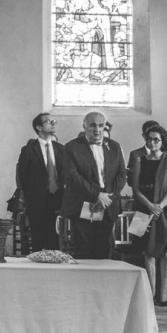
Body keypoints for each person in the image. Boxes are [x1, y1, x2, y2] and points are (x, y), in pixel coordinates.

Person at [62, 110, 126, 259]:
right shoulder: (72, 147)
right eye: (92, 125)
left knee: (104, 250)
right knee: (84, 249)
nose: (97, 129)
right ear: (84, 127)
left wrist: (107, 196)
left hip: (108, 205)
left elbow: (121, 175)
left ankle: (104, 282)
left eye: (100, 125)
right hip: (83, 205)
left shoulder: (115, 147)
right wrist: (98, 195)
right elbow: (72, 177)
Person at [130, 125, 167, 305]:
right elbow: (135, 189)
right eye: (149, 139)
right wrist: (150, 205)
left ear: (163, 141)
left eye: (156, 139)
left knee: (166, 251)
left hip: (165, 210)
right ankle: (151, 292)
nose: (152, 142)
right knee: (147, 251)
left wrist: (159, 206)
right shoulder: (139, 160)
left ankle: (164, 293)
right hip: (143, 209)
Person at [15, 113, 66, 253]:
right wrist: (32, 197)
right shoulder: (29, 149)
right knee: (38, 239)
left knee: (55, 239)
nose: (53, 123)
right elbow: (23, 176)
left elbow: (64, 174)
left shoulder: (61, 149)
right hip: (37, 201)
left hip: (57, 200)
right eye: (49, 121)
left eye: (54, 121)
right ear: (39, 127)